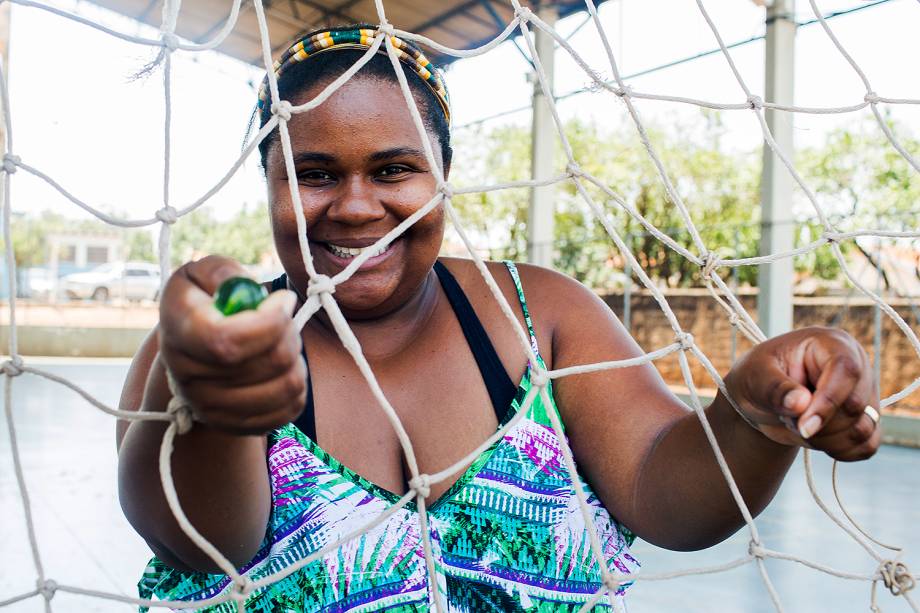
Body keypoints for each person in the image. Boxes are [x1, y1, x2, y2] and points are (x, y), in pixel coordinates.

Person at [116, 25, 882, 612]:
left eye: (392, 169)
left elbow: (664, 491)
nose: (354, 206)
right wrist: (210, 402)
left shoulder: (538, 313)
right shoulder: (216, 342)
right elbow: (198, 542)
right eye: (313, 174)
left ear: (443, 175)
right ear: (270, 185)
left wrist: (749, 416)